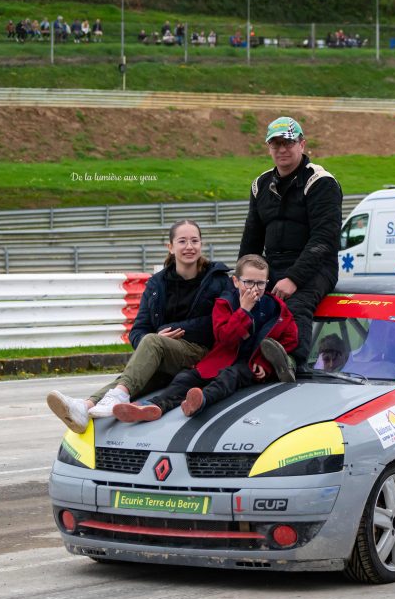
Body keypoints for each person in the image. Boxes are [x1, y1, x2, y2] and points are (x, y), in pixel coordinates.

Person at [46, 220, 231, 432]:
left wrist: (163, 335)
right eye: (182, 241)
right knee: (134, 373)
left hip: (202, 354)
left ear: (201, 244)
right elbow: (138, 330)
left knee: (151, 343)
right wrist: (154, 342)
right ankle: (85, 407)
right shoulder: (157, 284)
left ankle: (114, 396)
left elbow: (214, 323)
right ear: (170, 247)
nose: (189, 246)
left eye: (194, 241)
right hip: (164, 355)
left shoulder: (217, 279)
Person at [113, 254, 298, 422]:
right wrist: (243, 311)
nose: (255, 289)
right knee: (185, 377)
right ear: (235, 282)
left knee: (229, 377)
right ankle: (154, 406)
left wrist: (264, 362)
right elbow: (225, 338)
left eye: (260, 283)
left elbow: (291, 337)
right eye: (248, 282)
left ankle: (201, 401)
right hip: (220, 358)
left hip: (248, 364)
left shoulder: (276, 307)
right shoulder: (225, 303)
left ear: (267, 283)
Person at [239, 116, 343, 379]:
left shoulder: (321, 182)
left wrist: (294, 279)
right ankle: (239, 357)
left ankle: (292, 363)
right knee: (236, 300)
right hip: (273, 265)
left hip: (317, 266)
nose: (282, 149)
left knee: (296, 304)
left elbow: (324, 239)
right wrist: (242, 278)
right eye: (275, 144)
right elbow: (252, 238)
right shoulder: (260, 184)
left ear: (302, 144)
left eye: (288, 142)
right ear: (268, 148)